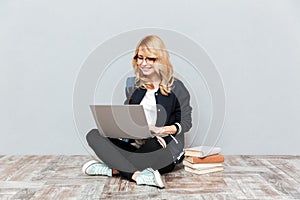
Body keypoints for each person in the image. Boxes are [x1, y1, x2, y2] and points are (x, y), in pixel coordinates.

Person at [82, 35, 192, 188]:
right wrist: (118, 127)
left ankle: (113, 168)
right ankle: (137, 175)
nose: (143, 63)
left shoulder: (176, 88)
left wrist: (160, 130)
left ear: (160, 60)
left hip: (162, 149)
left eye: (149, 59)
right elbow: (127, 117)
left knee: (154, 144)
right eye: (140, 58)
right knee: (93, 135)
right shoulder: (135, 87)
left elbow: (186, 122)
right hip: (136, 147)